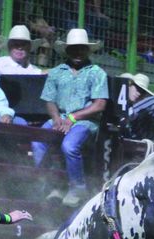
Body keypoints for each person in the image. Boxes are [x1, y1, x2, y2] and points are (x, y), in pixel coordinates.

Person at [31, 28, 108, 207]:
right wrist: (57, 117)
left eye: (81, 48)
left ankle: (77, 187)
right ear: (67, 50)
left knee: (70, 146)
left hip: (86, 121)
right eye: (74, 48)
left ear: (87, 50)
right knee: (37, 141)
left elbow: (99, 105)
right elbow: (49, 100)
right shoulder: (57, 72)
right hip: (61, 117)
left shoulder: (97, 73)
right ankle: (47, 182)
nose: (78, 52)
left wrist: (72, 118)